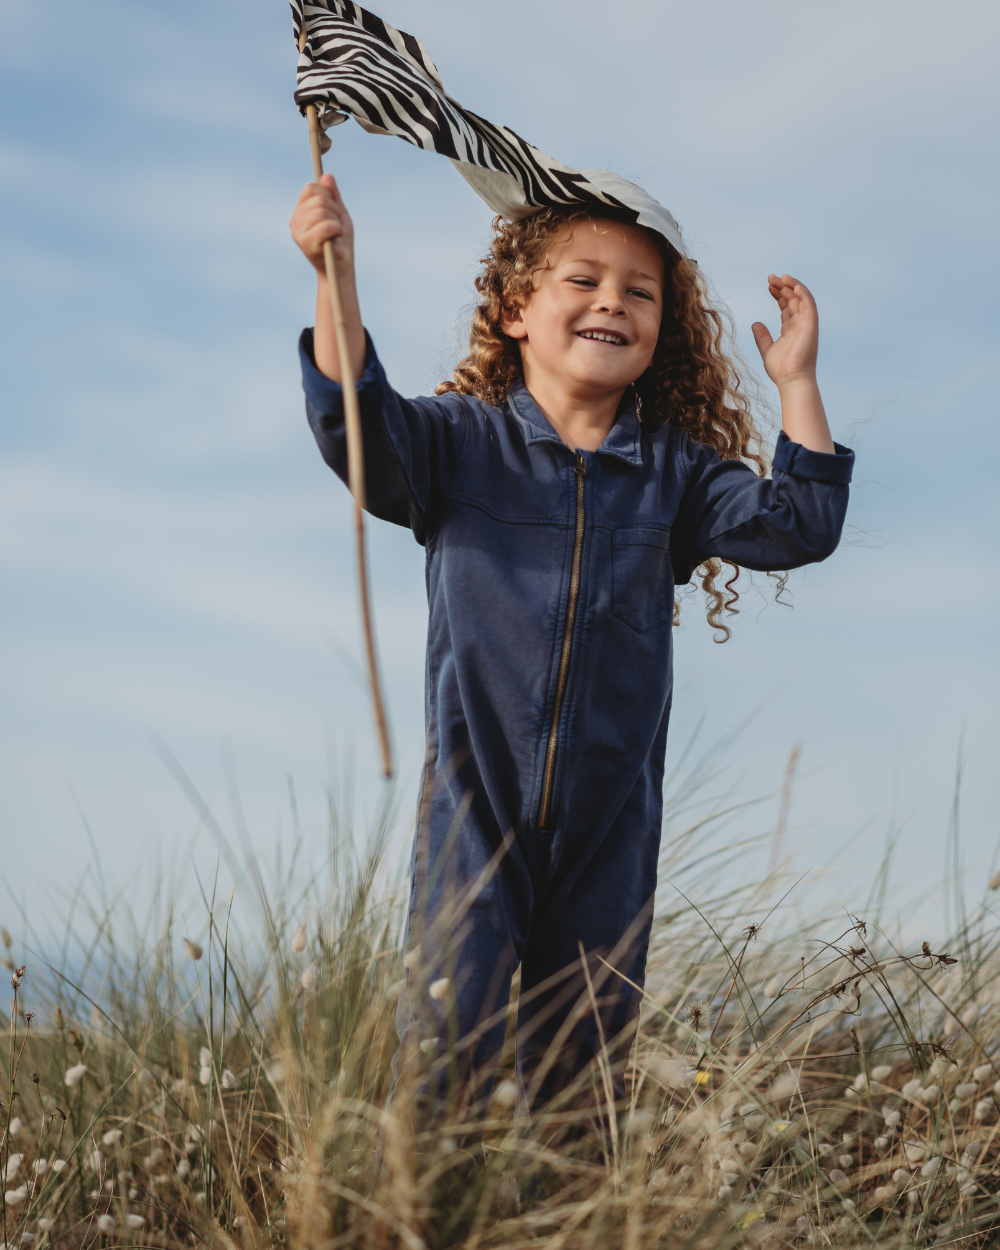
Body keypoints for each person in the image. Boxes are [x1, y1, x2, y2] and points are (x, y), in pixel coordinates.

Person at [289, 173, 853, 1113]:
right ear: (515, 309)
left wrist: (795, 381)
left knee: (582, 1084)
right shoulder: (456, 444)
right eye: (583, 281)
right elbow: (353, 419)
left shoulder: (674, 472)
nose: (612, 303)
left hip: (610, 826)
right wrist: (332, 278)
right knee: (445, 1064)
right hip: (475, 810)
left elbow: (797, 524)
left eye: (640, 292)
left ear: (661, 329)